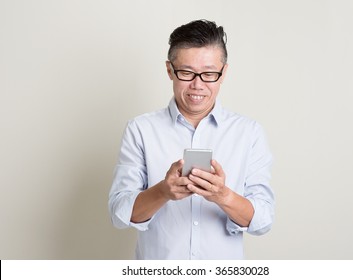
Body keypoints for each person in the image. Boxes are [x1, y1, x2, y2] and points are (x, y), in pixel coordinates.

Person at [108, 19, 274, 260]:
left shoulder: (249, 133)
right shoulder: (140, 129)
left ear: (223, 73)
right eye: (186, 72)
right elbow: (119, 214)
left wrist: (223, 196)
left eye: (209, 74)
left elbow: (263, 220)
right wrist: (163, 191)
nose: (197, 85)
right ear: (169, 70)